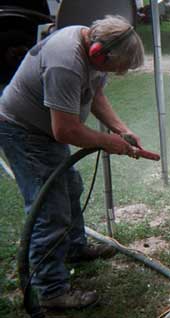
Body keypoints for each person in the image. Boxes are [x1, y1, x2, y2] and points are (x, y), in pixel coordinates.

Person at [0, 15, 146, 309]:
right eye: (116, 68)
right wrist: (110, 142)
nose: (118, 74)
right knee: (50, 209)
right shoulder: (65, 63)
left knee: (71, 188)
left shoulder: (91, 47)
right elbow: (65, 130)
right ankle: (52, 291)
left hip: (42, 131)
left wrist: (121, 129)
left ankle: (74, 247)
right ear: (98, 53)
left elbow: (95, 95)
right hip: (23, 131)